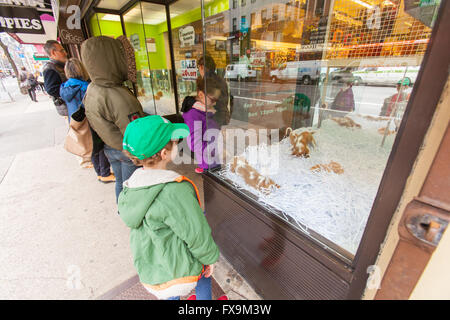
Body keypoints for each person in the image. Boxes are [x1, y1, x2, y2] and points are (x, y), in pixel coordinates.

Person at [119, 115, 224, 300]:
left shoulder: (130, 187)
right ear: (163, 154)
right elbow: (195, 233)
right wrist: (209, 259)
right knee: (205, 274)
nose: (177, 143)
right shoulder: (175, 190)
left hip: (154, 272)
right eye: (174, 141)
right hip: (180, 274)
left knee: (169, 293)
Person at [81, 36, 145, 201]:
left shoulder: (93, 88)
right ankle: (132, 216)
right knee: (134, 188)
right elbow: (136, 134)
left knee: (121, 184)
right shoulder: (118, 96)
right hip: (128, 151)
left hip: (109, 147)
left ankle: (121, 209)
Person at [60, 58, 115, 182]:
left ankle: (100, 173)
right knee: (99, 146)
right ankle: (105, 173)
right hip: (89, 121)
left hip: (76, 121)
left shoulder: (65, 88)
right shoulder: (86, 87)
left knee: (92, 147)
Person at [182, 76, 221, 174]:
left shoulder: (205, 110)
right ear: (201, 94)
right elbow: (195, 144)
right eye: (213, 99)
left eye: (217, 100)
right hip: (209, 162)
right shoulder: (194, 115)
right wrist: (217, 148)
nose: (215, 103)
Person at [197, 55, 230, 127]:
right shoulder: (221, 79)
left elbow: (204, 103)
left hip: (212, 118)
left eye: (198, 68)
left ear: (201, 67)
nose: (199, 71)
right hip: (223, 116)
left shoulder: (206, 81)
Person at [43, 40, 68, 115]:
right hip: (68, 108)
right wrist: (73, 89)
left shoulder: (60, 66)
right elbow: (52, 90)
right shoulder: (50, 68)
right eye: (62, 51)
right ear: (53, 52)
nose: (65, 53)